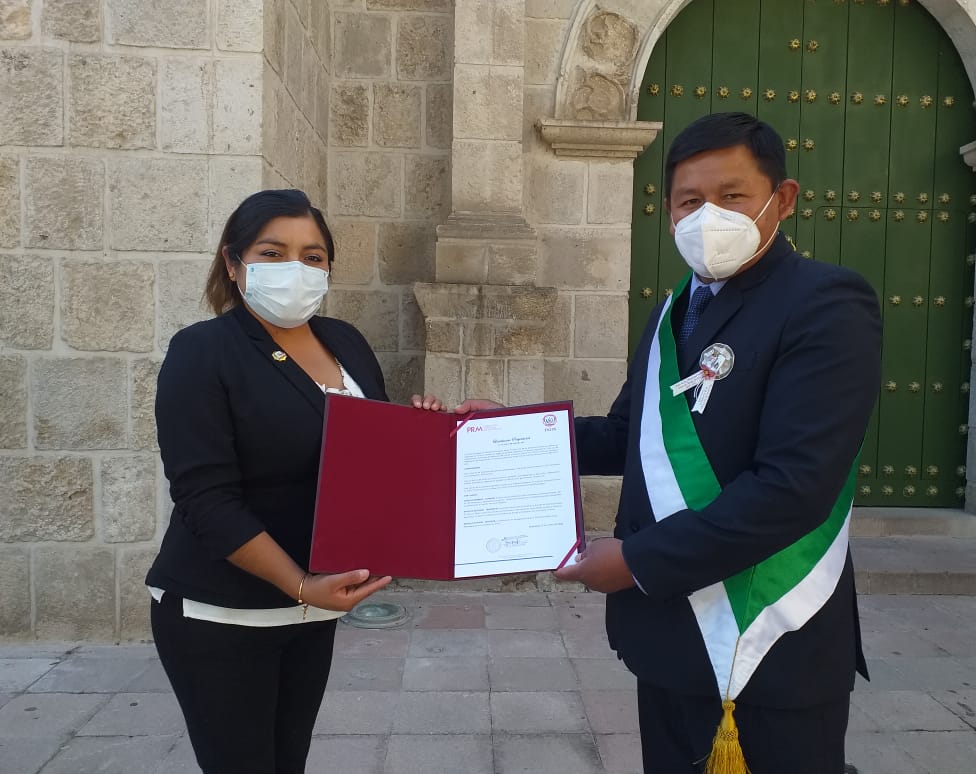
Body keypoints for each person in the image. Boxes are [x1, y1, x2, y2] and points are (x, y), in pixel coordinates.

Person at [455, 113, 882, 773]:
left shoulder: (824, 302)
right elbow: (626, 435)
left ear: (783, 199)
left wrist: (635, 562)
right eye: (689, 201)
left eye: (732, 196)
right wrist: (512, 431)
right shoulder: (674, 310)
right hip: (668, 636)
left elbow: (795, 487)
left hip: (771, 643)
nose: (708, 216)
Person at [146, 189, 443, 774]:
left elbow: (372, 458)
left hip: (311, 612)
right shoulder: (202, 351)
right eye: (273, 252)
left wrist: (424, 430)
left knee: (289, 761)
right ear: (233, 263)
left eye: (312, 256)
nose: (295, 268)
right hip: (223, 614)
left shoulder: (345, 341)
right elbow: (206, 499)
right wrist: (300, 584)